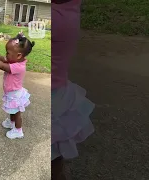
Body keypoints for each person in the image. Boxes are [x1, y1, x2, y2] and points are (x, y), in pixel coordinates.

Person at [51, 0, 95, 179]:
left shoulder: (57, 17)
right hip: (59, 91)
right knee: (54, 157)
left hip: (52, 96)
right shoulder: (70, 7)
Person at [0, 33, 35, 139]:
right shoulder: (14, 59)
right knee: (12, 110)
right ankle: (11, 123)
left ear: (19, 55)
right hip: (11, 93)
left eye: (8, 52)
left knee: (17, 113)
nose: (6, 55)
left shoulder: (19, 67)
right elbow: (2, 58)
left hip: (15, 95)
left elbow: (1, 65)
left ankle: (18, 131)